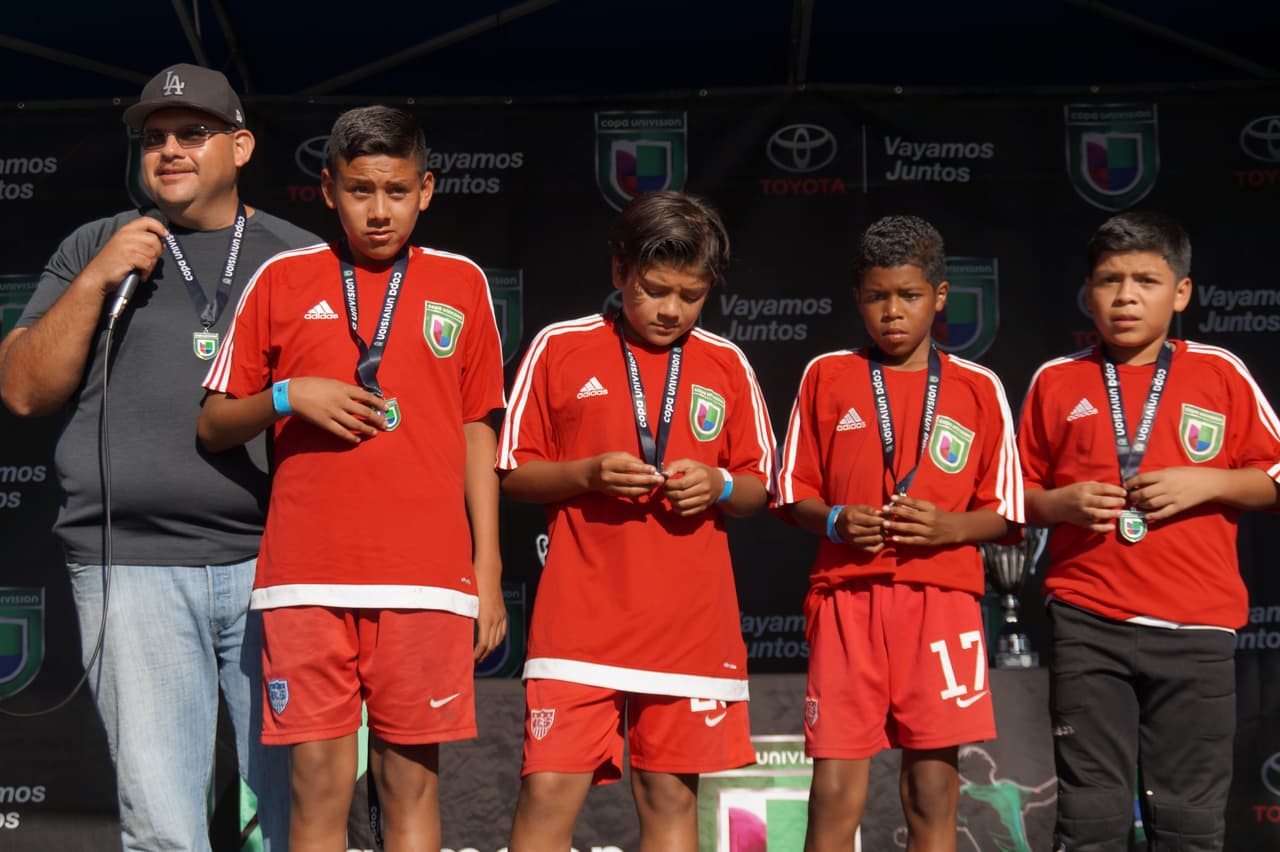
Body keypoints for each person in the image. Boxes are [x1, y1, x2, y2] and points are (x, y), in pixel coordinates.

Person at [0, 63, 314, 851]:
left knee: (291, 818)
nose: (170, 149)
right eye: (155, 136)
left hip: (276, 566)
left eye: (193, 133)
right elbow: (22, 391)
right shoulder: (93, 244)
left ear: (239, 146)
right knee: (164, 827)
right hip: (130, 564)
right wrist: (100, 274)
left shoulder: (300, 257)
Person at [197, 104, 506, 851]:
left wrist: (487, 569)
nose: (379, 211)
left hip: (425, 581)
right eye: (360, 190)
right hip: (308, 578)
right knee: (317, 794)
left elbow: (476, 428)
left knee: (410, 790)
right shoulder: (281, 277)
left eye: (397, 191)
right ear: (328, 190)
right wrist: (287, 395)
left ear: (427, 189)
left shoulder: (460, 283)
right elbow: (212, 424)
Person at [497, 190, 775, 852]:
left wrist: (718, 484)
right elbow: (511, 471)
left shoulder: (726, 363)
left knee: (671, 799)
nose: (672, 309)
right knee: (547, 793)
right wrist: (586, 474)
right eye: (654, 290)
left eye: (691, 294)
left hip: (689, 625)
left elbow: (760, 487)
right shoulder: (559, 346)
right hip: (580, 620)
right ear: (619, 270)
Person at [1017, 211, 1280, 851]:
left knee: (1189, 826)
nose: (1126, 296)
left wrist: (1208, 481)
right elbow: (1011, 497)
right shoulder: (1057, 380)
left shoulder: (1219, 371)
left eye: (1146, 280)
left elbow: (1274, 477)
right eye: (1109, 280)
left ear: (1181, 292)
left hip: (1196, 627)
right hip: (1088, 622)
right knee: (1090, 821)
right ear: (1088, 291)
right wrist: (1062, 503)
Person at [774, 214, 1024, 852]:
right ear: (857, 297)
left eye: (908, 296)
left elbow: (1008, 512)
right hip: (847, 599)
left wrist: (950, 527)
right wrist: (833, 518)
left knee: (933, 790)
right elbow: (790, 491)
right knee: (834, 788)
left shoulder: (978, 388)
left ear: (939, 297)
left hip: (940, 603)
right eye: (876, 297)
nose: (892, 312)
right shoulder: (826, 375)